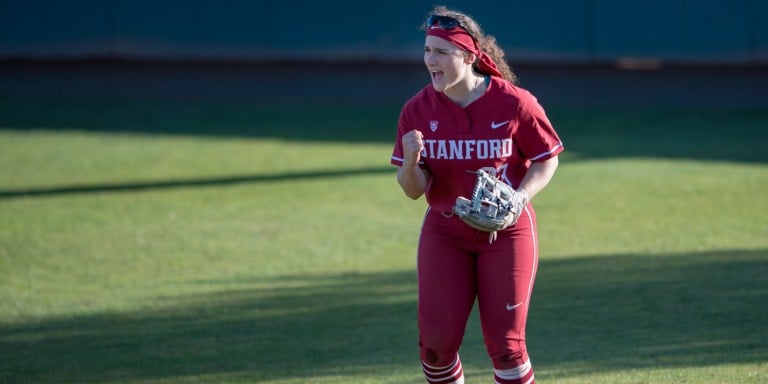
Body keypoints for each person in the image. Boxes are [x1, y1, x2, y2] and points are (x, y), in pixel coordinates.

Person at [390, 5, 564, 384]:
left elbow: (545, 159)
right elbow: (413, 191)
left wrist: (521, 196)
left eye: (440, 52)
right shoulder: (417, 110)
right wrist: (411, 163)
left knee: (507, 347)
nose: (429, 61)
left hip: (507, 232)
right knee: (435, 346)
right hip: (445, 232)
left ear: (468, 56)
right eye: (426, 51)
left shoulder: (515, 102)